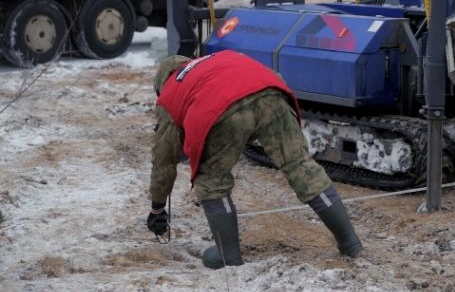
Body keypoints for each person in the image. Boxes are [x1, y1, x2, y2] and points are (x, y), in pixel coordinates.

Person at [146, 50, 363, 269]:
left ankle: (227, 256)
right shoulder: (213, 60)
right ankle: (350, 243)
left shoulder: (171, 92)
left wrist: (157, 208)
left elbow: (163, 159)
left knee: (212, 179)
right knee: (300, 165)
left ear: (161, 83)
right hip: (270, 89)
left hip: (222, 106)